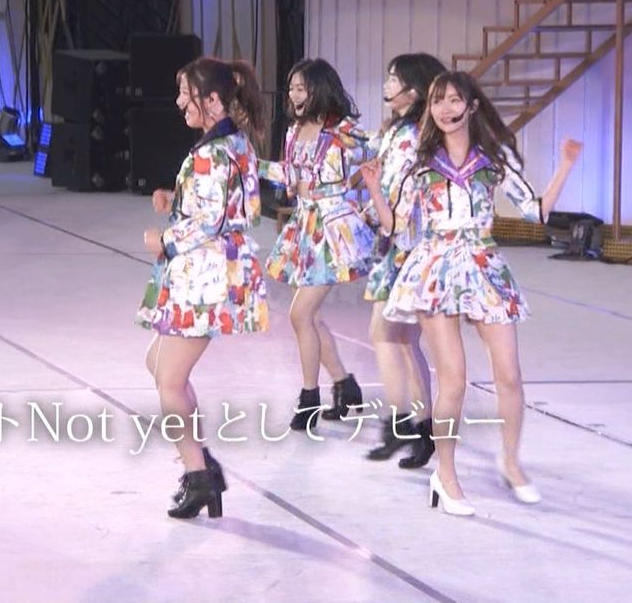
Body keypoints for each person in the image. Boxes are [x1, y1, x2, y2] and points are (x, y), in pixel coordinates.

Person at [361, 71, 582, 516]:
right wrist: (373, 188)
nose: (444, 109)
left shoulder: (493, 158)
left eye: (453, 100)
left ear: (472, 106)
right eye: (437, 101)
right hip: (436, 268)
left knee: (510, 375)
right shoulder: (420, 164)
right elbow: (396, 226)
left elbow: (536, 212)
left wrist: (565, 166)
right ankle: (446, 475)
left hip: (483, 266)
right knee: (454, 380)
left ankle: (512, 463)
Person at [136, 57, 269, 519]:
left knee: (170, 380)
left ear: (212, 100)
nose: (179, 103)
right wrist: (176, 199)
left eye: (185, 93)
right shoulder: (235, 143)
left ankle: (199, 476)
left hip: (205, 275)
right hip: (208, 271)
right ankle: (201, 464)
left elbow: (211, 221)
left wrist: (164, 239)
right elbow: (233, 204)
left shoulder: (215, 152)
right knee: (158, 364)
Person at [260, 58, 375, 433]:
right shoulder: (294, 131)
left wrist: (359, 202)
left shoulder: (345, 132)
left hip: (333, 232)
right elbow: (289, 176)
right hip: (305, 229)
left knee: (300, 315)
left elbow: (376, 166)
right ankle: (344, 384)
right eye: (292, 88)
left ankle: (309, 398)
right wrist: (252, 165)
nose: (295, 95)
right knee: (309, 317)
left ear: (320, 90)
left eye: (302, 89)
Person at [362, 53, 446, 469]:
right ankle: (424, 428)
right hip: (400, 244)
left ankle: (399, 423)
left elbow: (400, 198)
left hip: (405, 247)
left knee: (384, 334)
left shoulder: (411, 136)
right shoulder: (398, 131)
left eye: (394, 79)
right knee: (404, 341)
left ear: (412, 91)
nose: (387, 84)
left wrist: (375, 203)